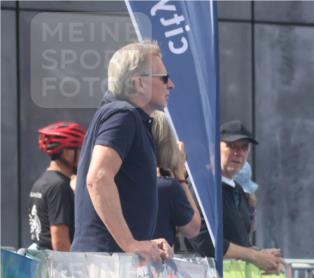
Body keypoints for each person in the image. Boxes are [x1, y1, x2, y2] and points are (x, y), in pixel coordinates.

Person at [72, 40, 174, 262]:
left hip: (110, 259)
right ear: (138, 83)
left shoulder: (127, 116)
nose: (171, 85)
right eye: (164, 78)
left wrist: (141, 242)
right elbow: (98, 178)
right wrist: (130, 243)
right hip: (108, 263)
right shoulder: (123, 115)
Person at [193, 120, 284, 273]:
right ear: (214, 147)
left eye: (244, 147)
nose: (238, 152)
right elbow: (204, 241)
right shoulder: (200, 185)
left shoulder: (239, 190)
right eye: (232, 145)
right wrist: (253, 256)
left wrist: (260, 254)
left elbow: (237, 239)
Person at [28, 122, 86, 251]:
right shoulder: (59, 186)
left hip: (41, 259)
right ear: (67, 152)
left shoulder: (41, 182)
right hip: (56, 266)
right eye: (80, 149)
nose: (83, 155)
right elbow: (60, 243)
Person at [150, 112, 201, 247]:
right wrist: (180, 176)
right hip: (154, 263)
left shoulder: (121, 179)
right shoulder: (166, 187)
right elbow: (193, 228)